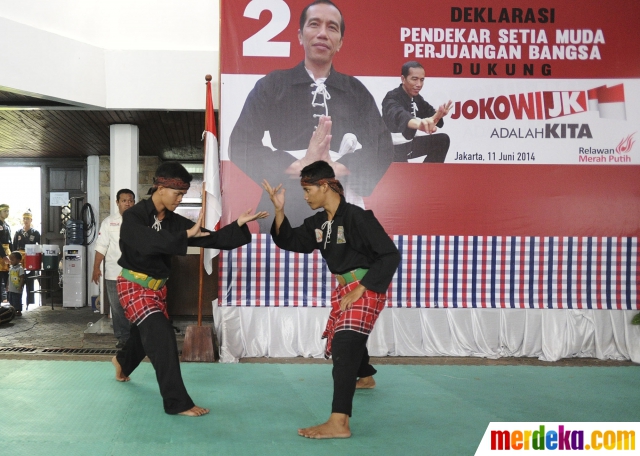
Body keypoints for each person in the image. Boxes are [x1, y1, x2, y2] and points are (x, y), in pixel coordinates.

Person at [112, 162, 268, 417]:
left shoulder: (174, 222)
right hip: (134, 285)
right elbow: (144, 241)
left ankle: (121, 362)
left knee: (143, 338)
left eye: (184, 194)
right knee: (161, 335)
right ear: (160, 188)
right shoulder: (134, 216)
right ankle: (177, 402)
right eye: (178, 193)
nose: (180, 198)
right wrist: (184, 237)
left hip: (158, 290)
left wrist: (238, 225)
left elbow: (208, 237)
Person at [262, 160, 400, 439]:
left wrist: (362, 288)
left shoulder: (357, 217)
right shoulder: (319, 223)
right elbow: (291, 240)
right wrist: (279, 211)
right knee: (346, 339)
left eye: (308, 189)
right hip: (344, 290)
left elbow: (390, 255)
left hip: (366, 288)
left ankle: (339, 422)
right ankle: (365, 376)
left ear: (324, 185)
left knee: (346, 345)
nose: (305, 196)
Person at [228, 0, 393, 230]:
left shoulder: (355, 90)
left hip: (338, 199)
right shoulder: (273, 84)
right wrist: (298, 165)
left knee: (341, 263)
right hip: (286, 200)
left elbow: (383, 145)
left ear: (340, 43)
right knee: (284, 262)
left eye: (332, 27)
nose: (323, 34)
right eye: (314, 24)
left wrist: (338, 169)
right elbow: (240, 143)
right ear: (300, 35)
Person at [382, 61, 453, 163]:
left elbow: (430, 116)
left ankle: (429, 175)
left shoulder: (417, 98)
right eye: (414, 79)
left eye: (422, 80)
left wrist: (438, 115)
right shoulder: (392, 97)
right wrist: (418, 124)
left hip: (409, 145)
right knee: (403, 175)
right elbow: (400, 114)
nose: (419, 84)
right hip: (391, 148)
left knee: (442, 140)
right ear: (403, 79)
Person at [92, 189, 135, 349]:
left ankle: (136, 337)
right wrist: (96, 267)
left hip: (136, 273)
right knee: (117, 307)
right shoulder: (109, 222)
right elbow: (101, 247)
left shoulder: (142, 222)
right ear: (117, 203)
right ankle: (123, 337)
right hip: (113, 272)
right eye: (124, 200)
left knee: (134, 305)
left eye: (130, 200)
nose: (127, 203)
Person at [13, 211, 41, 310]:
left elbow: (39, 247)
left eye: (27, 219)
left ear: (31, 220)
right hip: (20, 259)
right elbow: (14, 247)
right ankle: (17, 305)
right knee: (19, 281)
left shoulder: (35, 233)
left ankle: (30, 304)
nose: (25, 221)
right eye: (24, 218)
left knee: (30, 281)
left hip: (30, 259)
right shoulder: (18, 232)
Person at [0, 203, 12, 302]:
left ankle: (8, 300)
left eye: (8, 211)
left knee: (7, 277)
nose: (7, 213)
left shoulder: (7, 225)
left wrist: (11, 255)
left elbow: (10, 241)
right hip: (1, 253)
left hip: (7, 251)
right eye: (5, 211)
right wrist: (3, 255)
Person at [7, 251, 25, 317]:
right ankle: (13, 310)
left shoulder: (20, 269)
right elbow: (9, 277)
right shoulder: (11, 268)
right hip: (11, 288)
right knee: (11, 299)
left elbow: (22, 277)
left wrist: (20, 286)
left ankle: (18, 311)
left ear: (18, 260)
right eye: (10, 259)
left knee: (17, 299)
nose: (11, 261)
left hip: (17, 288)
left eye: (12, 259)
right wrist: (7, 286)